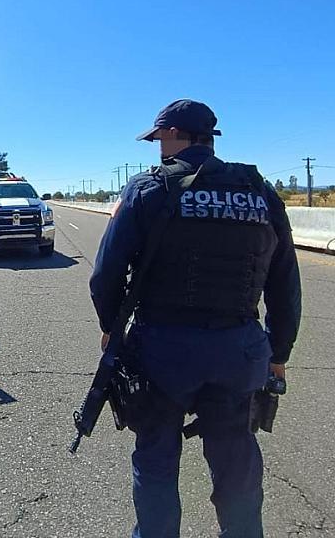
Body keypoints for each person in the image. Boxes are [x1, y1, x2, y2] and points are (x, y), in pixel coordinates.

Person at [89, 99, 301, 538]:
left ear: (172, 135)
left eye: (158, 139)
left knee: (156, 462)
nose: (158, 148)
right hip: (238, 351)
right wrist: (278, 353)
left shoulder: (147, 189)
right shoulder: (258, 190)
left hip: (162, 352)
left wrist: (112, 330)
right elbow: (285, 282)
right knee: (237, 462)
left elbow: (105, 275)